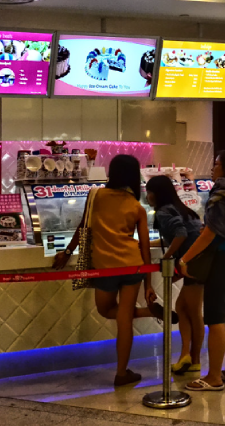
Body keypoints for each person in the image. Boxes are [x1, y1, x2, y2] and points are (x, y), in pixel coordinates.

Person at [52, 155, 164, 387]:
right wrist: (148, 285)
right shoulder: (136, 206)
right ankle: (123, 369)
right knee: (123, 318)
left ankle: (122, 373)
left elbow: (83, 226)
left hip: (105, 268)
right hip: (132, 266)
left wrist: (67, 251)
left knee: (106, 310)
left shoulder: (96, 196)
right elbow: (144, 247)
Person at [177, 149, 225, 392]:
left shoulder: (223, 192)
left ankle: (213, 378)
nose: (213, 168)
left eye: (216, 164)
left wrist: (185, 258)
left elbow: (210, 233)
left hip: (224, 260)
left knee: (215, 318)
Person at [145, 175, 204, 376]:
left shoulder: (163, 211)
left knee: (194, 312)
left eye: (149, 191)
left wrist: (168, 257)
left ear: (155, 193)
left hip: (194, 261)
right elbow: (183, 232)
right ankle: (187, 355)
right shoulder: (177, 206)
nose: (147, 196)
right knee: (182, 307)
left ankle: (194, 359)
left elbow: (181, 234)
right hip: (198, 258)